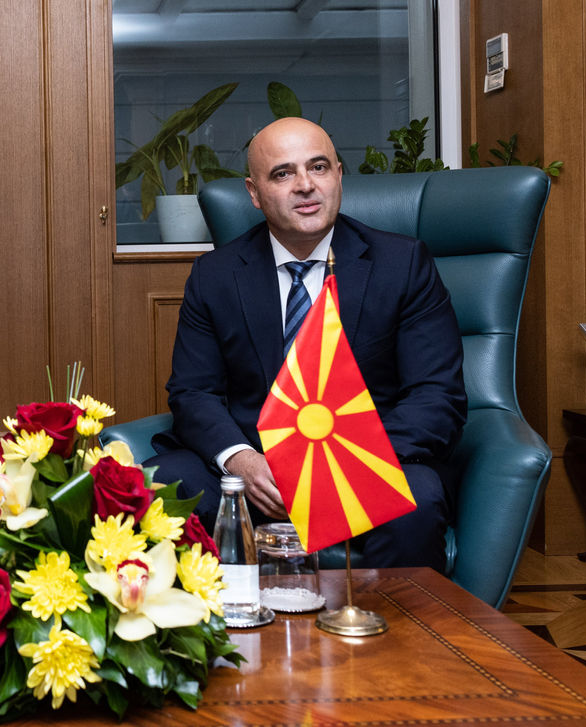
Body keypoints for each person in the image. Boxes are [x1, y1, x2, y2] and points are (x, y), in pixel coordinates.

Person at [145, 117, 466, 570]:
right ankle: (222, 637)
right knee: (169, 483)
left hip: (366, 461)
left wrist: (338, 465)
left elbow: (437, 397)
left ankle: (400, 639)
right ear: (254, 194)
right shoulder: (215, 275)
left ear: (338, 175)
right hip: (257, 472)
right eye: (283, 173)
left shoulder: (403, 264)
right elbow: (193, 392)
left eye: (318, 168)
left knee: (416, 500)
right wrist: (242, 461)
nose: (305, 186)